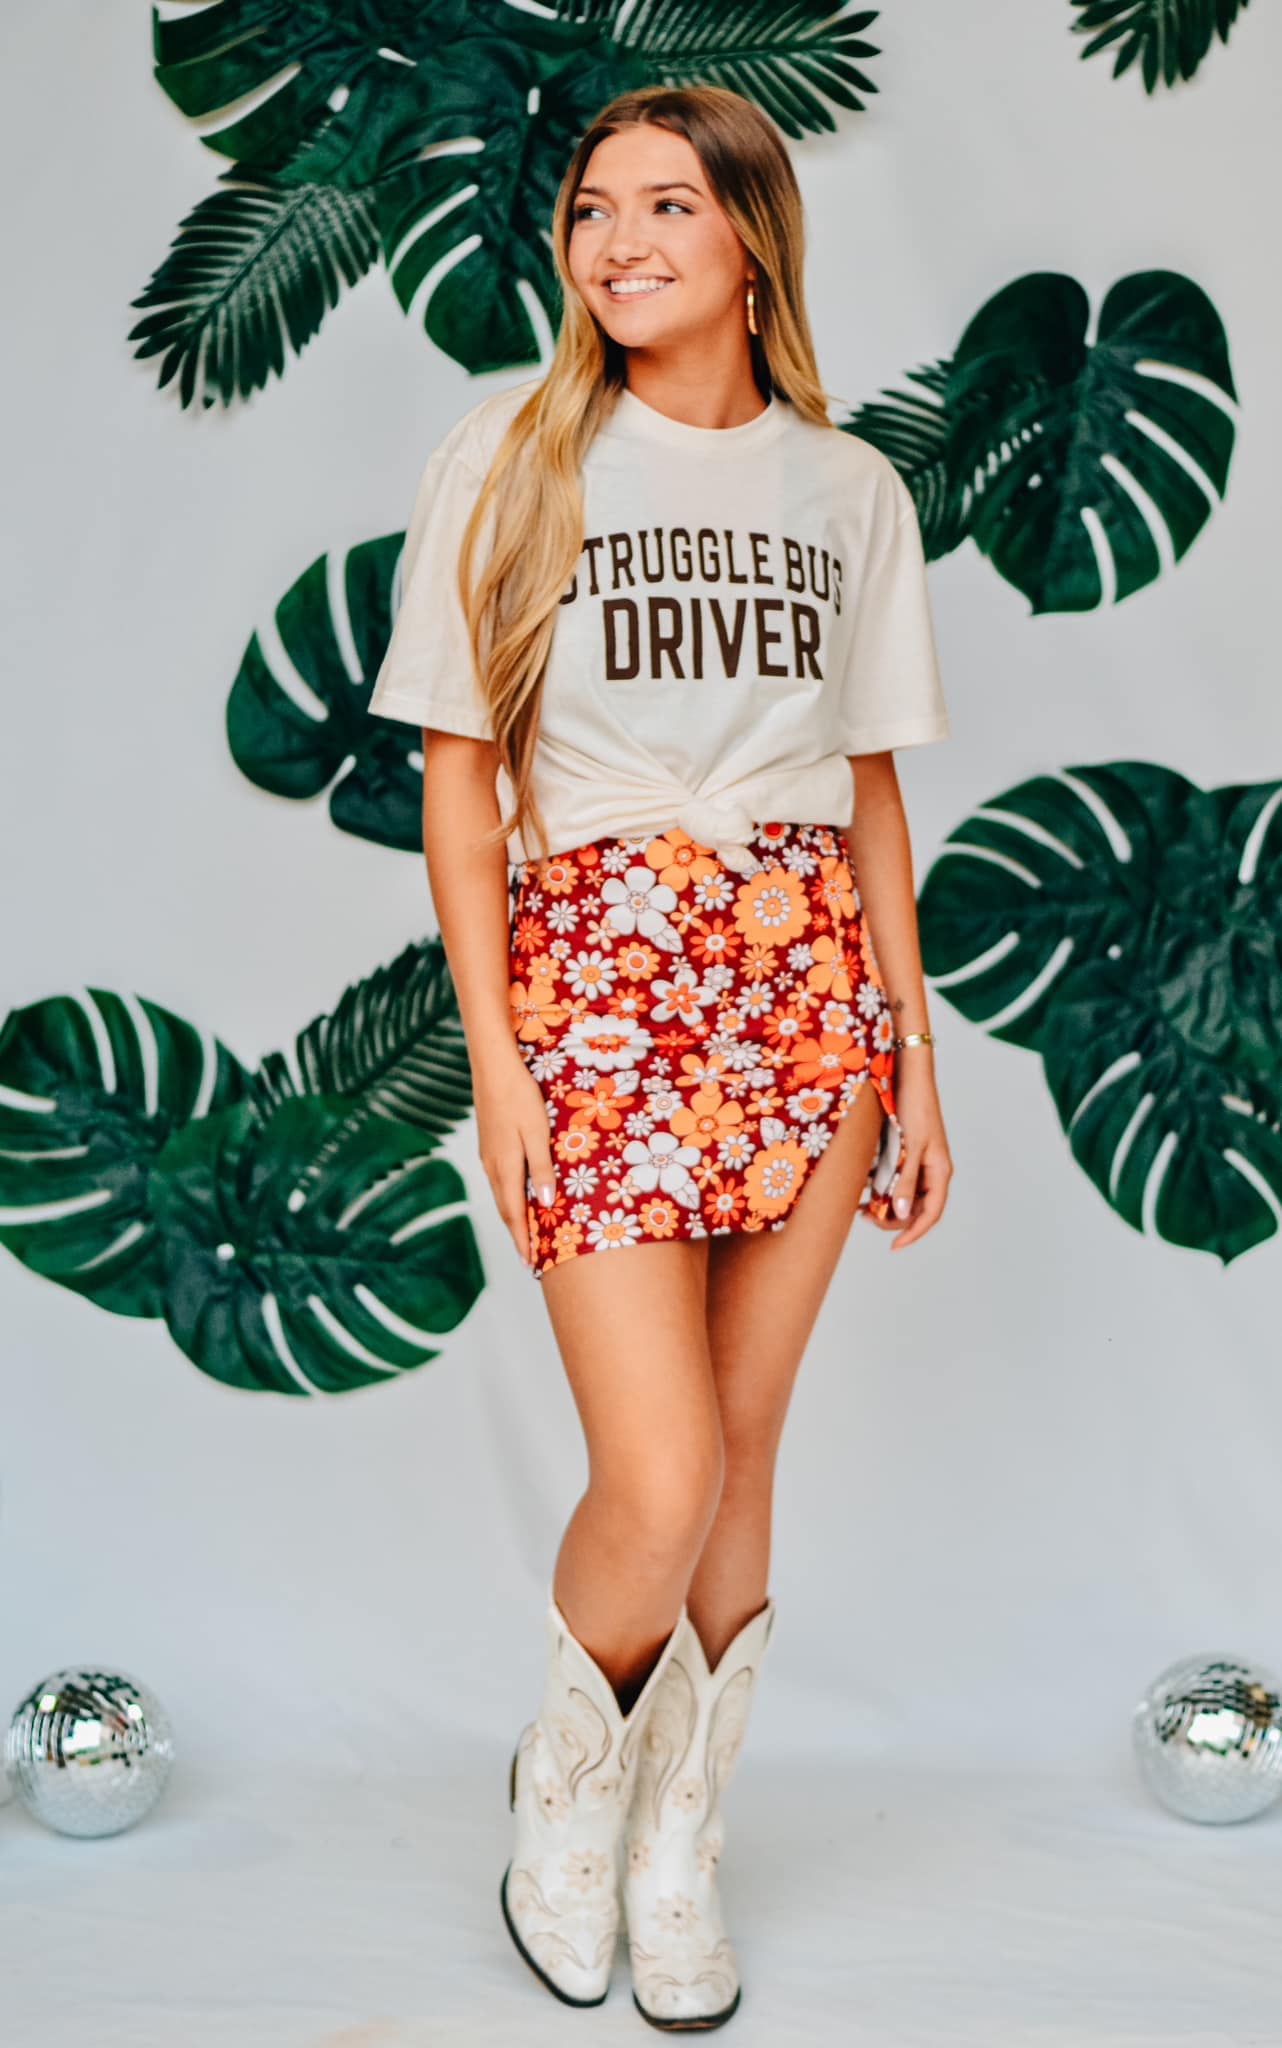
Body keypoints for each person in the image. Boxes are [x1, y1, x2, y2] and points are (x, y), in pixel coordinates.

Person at [368, 82, 954, 2033]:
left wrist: (914, 1056)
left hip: (807, 988)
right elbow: (459, 792)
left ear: (752, 241)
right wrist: (500, 1063)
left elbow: (871, 795)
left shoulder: (846, 492)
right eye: (590, 210)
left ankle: (677, 1838)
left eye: (666, 206)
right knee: (662, 1461)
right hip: (596, 983)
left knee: (745, 1448)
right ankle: (565, 1795)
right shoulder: (511, 455)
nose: (615, 242)